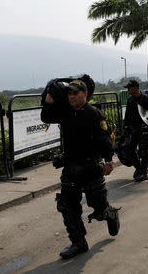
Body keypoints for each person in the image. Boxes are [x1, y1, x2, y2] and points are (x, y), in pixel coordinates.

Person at [41, 79, 120, 259]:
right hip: (70, 167)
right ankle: (78, 243)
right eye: (69, 93)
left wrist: (109, 161)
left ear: (85, 94)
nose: (72, 96)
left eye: (76, 93)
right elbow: (46, 117)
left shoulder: (94, 114)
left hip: (91, 166)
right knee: (67, 207)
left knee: (98, 207)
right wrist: (49, 99)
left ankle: (110, 214)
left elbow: (105, 140)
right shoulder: (65, 112)